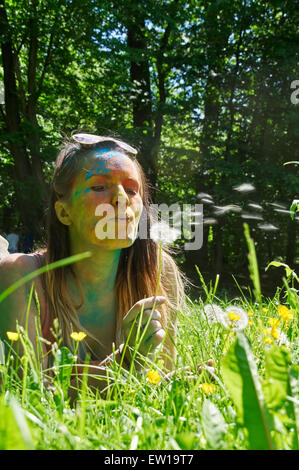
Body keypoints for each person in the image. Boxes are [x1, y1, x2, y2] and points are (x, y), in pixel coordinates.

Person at [0, 133, 189, 393]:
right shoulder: (21, 275)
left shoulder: (157, 271)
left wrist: (179, 385)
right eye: (99, 187)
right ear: (64, 212)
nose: (121, 198)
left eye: (132, 190)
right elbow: (31, 393)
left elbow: (153, 388)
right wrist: (127, 360)